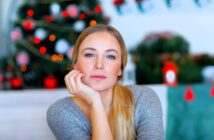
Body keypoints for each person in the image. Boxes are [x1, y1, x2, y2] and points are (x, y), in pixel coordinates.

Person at [47, 24, 164, 140]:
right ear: (75, 64)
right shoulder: (61, 111)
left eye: (110, 57)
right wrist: (95, 101)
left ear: (120, 68)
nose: (99, 65)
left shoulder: (143, 98)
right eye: (89, 55)